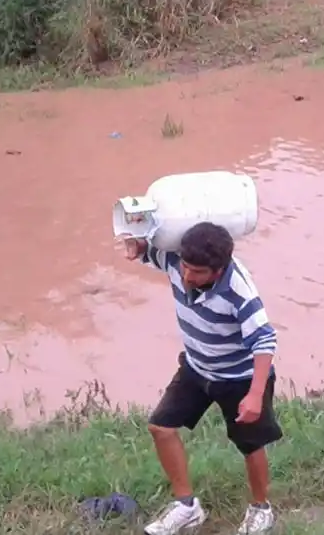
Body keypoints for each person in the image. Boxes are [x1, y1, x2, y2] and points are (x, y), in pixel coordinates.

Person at [124, 222, 282, 535]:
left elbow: (264, 341)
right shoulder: (176, 261)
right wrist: (136, 246)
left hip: (239, 376)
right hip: (196, 367)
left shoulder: (240, 292)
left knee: (250, 445)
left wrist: (254, 395)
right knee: (161, 427)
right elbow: (146, 252)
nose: (186, 277)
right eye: (185, 267)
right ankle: (187, 507)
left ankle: (261, 508)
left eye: (196, 272)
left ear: (218, 270)